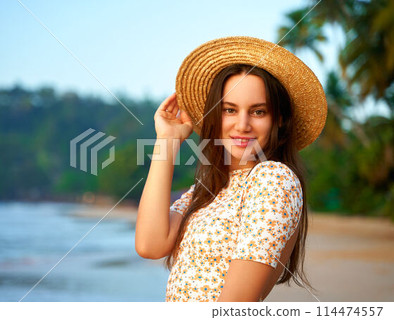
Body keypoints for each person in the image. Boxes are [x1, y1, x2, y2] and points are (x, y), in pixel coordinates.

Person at [135, 36, 327, 302]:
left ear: (279, 119)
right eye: (230, 110)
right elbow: (150, 245)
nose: (242, 125)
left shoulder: (273, 179)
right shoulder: (209, 189)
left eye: (258, 112)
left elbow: (236, 305)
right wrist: (167, 141)